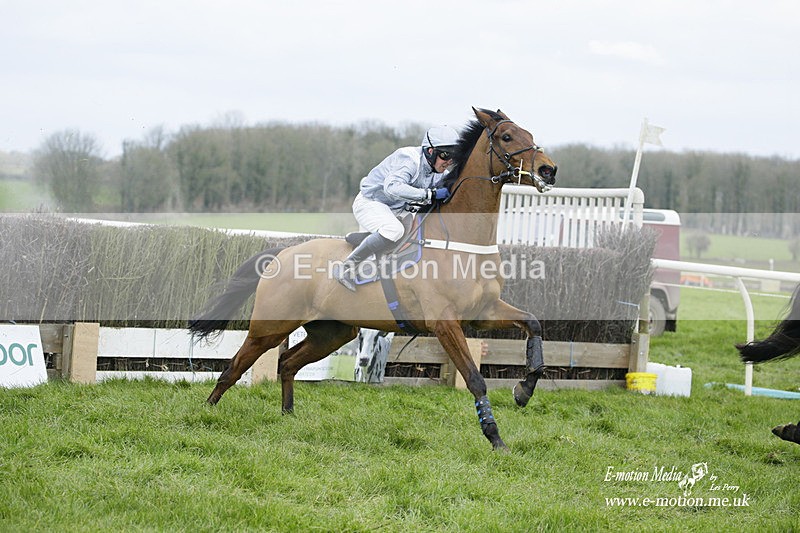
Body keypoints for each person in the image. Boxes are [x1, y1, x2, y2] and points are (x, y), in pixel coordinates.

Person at [335, 125, 460, 291]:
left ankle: (368, 238)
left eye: (453, 157)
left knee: (416, 231)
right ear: (430, 151)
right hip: (370, 203)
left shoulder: (439, 171)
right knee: (394, 230)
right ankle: (347, 267)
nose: (449, 162)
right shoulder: (409, 159)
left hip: (395, 209)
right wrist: (429, 194)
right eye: (446, 156)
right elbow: (392, 187)